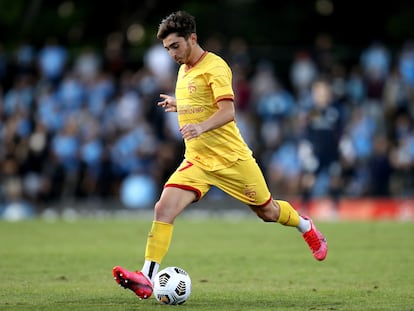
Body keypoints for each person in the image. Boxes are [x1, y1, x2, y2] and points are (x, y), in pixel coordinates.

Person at [112, 10, 328, 300]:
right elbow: (200, 99)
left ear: (192, 38)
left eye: (175, 46)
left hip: (231, 160)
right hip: (197, 161)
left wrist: (200, 126)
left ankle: (306, 226)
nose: (172, 54)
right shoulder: (183, 69)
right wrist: (180, 105)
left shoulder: (215, 67)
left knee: (268, 212)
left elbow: (228, 111)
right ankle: (146, 278)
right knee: (163, 209)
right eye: (167, 49)